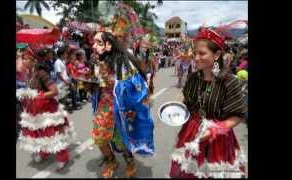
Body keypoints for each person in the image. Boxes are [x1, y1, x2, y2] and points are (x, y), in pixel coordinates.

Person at [169, 28, 246, 178]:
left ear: (217, 55)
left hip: (218, 138)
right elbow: (187, 102)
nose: (196, 57)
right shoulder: (192, 78)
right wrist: (175, 110)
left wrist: (215, 129)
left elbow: (237, 116)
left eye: (202, 53)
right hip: (191, 133)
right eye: (195, 53)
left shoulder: (229, 82)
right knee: (186, 171)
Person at [89, 31, 155, 178]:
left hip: (122, 107)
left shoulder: (124, 61)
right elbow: (94, 85)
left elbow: (136, 85)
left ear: (109, 45)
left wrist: (134, 108)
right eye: (94, 42)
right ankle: (111, 162)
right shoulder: (95, 61)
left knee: (122, 140)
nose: (93, 46)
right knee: (99, 138)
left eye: (98, 42)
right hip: (104, 106)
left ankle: (130, 163)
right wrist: (89, 82)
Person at [16, 48, 76, 171]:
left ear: (32, 60)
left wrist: (39, 96)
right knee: (39, 133)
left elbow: (55, 91)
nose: (22, 60)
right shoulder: (29, 73)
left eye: (25, 58)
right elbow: (32, 89)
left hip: (47, 109)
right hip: (33, 109)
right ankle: (44, 152)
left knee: (52, 134)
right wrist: (26, 93)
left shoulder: (41, 73)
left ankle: (62, 157)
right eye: (22, 58)